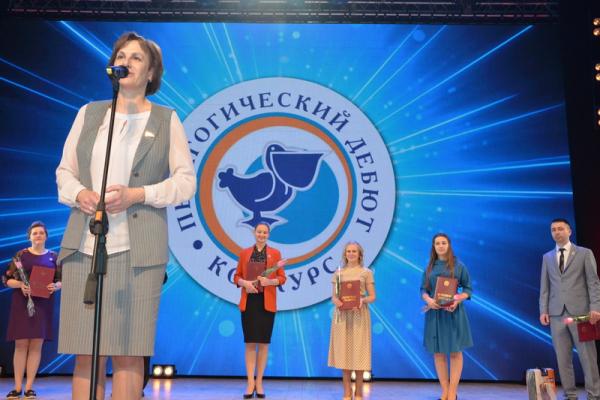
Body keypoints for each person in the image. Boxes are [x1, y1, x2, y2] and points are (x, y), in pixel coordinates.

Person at [55, 31, 196, 400]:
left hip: (139, 253)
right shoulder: (89, 114)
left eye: (136, 58)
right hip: (84, 247)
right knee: (85, 352)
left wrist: (139, 194)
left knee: (129, 354)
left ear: (150, 73)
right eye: (121, 56)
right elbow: (64, 173)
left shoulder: (166, 120)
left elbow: (186, 183)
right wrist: (80, 194)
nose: (126, 62)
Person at [539, 218, 600, 400]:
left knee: (588, 358)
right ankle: (570, 395)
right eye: (553, 229)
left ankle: (594, 395)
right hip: (556, 313)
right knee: (563, 358)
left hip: (581, 314)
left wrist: (595, 307)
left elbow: (593, 282)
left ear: (569, 231)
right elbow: (545, 286)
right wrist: (543, 310)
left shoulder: (584, 253)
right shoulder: (547, 257)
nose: (556, 232)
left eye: (560, 229)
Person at [2, 221, 61, 400]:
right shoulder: (21, 255)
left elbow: (61, 279)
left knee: (36, 345)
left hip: (43, 305)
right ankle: (17, 387)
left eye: (41, 233)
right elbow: (6, 279)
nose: (38, 235)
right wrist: (20, 284)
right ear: (29, 237)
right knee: (21, 345)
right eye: (35, 233)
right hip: (22, 304)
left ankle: (29, 388)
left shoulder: (53, 257)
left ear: (46, 236)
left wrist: (56, 285)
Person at [233, 223, 287, 399]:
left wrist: (269, 282)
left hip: (266, 303)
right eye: (259, 232)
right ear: (254, 233)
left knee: (263, 344)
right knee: (250, 343)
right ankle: (250, 383)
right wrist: (245, 283)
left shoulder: (275, 253)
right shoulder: (244, 253)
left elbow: (282, 278)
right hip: (249, 302)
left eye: (265, 232)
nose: (261, 234)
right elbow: (236, 276)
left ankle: (259, 382)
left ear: (268, 234)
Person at [420, 233, 472, 400]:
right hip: (435, 314)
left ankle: (452, 393)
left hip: (453, 314)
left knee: (455, 352)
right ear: (434, 247)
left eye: (443, 243)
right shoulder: (429, 267)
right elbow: (423, 289)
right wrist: (428, 300)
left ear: (449, 245)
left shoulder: (459, 266)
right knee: (438, 353)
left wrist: (457, 299)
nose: (441, 246)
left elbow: (468, 289)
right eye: (437, 243)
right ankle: (444, 391)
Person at [328, 242, 376, 400]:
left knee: (359, 353)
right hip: (342, 316)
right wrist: (337, 301)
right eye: (348, 251)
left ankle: (359, 392)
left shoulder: (366, 272)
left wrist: (362, 300)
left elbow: (372, 296)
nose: (351, 253)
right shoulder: (338, 273)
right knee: (344, 353)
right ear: (345, 254)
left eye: (354, 251)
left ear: (359, 254)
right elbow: (334, 296)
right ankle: (347, 392)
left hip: (359, 315)